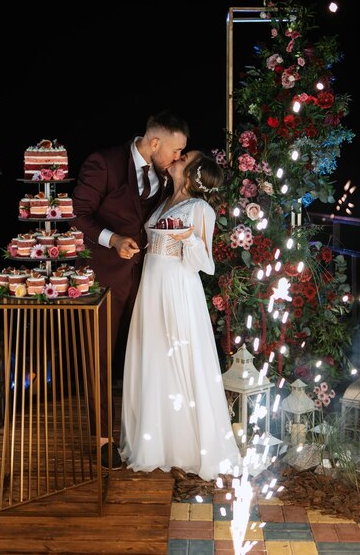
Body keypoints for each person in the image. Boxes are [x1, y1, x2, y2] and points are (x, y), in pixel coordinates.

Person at [72, 110, 189, 468]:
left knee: (147, 355)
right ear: (155, 143)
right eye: (175, 150)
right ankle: (103, 438)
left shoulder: (164, 173)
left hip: (149, 278)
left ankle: (150, 433)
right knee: (101, 356)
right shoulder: (103, 163)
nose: (178, 157)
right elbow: (78, 213)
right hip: (105, 278)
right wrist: (113, 239)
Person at [119, 150, 241, 481]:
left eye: (184, 157)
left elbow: (208, 265)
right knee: (155, 359)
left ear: (190, 173)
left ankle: (188, 447)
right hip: (151, 288)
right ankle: (156, 443)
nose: (178, 157)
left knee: (179, 359)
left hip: (177, 289)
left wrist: (189, 240)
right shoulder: (162, 202)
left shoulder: (200, 209)